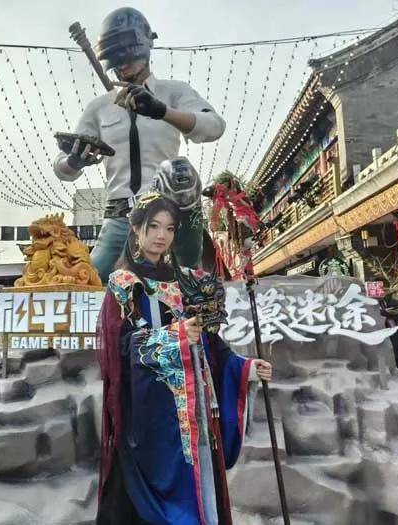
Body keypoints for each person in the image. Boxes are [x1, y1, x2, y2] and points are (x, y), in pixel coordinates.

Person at [97, 191, 272, 525]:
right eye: (153, 226)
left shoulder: (184, 282)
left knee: (197, 487)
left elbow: (209, 343)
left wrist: (244, 367)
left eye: (169, 228)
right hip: (149, 410)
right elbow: (119, 348)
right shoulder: (123, 284)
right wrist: (175, 338)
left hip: (193, 409)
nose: (161, 235)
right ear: (136, 229)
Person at [53, 7, 225, 283]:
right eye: (116, 60)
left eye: (130, 56)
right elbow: (62, 167)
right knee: (88, 284)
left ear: (145, 48)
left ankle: (189, 273)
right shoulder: (99, 107)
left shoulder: (173, 92)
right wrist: (73, 160)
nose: (124, 65)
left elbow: (214, 126)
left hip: (168, 212)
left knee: (179, 170)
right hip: (119, 216)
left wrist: (163, 111)